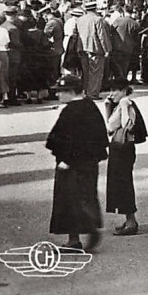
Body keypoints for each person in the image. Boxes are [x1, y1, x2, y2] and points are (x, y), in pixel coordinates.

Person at [45, 85, 109, 251]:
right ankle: (79, 236)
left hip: (72, 164)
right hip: (88, 163)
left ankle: (80, 236)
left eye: (60, 91)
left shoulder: (71, 112)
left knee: (69, 200)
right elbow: (99, 136)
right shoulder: (90, 106)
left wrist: (67, 159)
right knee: (85, 197)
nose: (57, 94)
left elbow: (65, 138)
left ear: (71, 92)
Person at [105, 78, 146, 236]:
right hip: (119, 147)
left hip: (123, 148)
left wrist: (121, 105)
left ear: (124, 91)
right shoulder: (122, 104)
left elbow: (125, 124)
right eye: (111, 90)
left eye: (115, 90)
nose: (111, 94)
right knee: (120, 184)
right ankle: (129, 219)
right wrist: (110, 106)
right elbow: (110, 126)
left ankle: (131, 222)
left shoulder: (126, 104)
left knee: (123, 184)